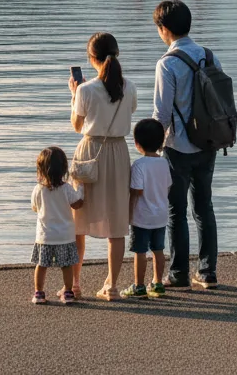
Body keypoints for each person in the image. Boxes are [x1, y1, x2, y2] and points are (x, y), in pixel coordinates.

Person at [150, 0, 219, 289]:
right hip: (209, 142)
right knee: (204, 206)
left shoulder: (167, 63)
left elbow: (162, 113)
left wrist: (151, 147)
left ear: (163, 29)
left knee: (176, 210)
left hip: (178, 146)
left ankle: (178, 274)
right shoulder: (209, 55)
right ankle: (207, 272)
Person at [68, 31, 138, 301]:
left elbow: (77, 126)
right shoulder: (129, 87)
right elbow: (127, 112)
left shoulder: (85, 89)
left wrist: (74, 95)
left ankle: (74, 283)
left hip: (91, 152)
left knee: (78, 219)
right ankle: (112, 286)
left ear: (92, 58)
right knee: (117, 222)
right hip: (119, 152)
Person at [122, 118, 172, 299]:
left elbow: (136, 191)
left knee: (140, 251)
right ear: (161, 142)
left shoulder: (139, 165)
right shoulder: (164, 163)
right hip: (161, 215)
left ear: (137, 144)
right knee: (158, 249)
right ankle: (158, 283)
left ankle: (139, 285)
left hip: (142, 216)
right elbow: (167, 187)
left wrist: (128, 214)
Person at [30, 146, 84, 305]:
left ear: (40, 170)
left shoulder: (38, 189)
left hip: (44, 236)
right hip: (65, 236)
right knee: (66, 265)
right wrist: (80, 187)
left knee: (42, 265)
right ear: (63, 169)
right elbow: (77, 204)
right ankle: (68, 293)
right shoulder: (66, 188)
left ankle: (39, 293)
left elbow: (34, 207)